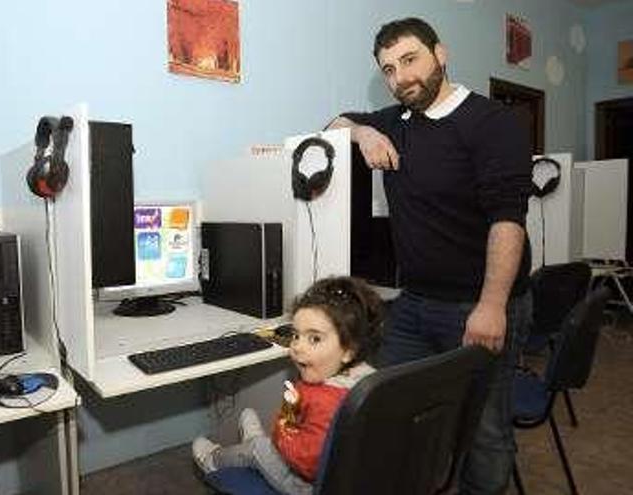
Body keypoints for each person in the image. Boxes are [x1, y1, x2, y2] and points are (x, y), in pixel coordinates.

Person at [326, 17, 532, 494]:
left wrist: (493, 305)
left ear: (440, 54)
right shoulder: (393, 122)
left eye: (410, 60)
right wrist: (362, 135)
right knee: (385, 407)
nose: (401, 78)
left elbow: (507, 220)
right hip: (415, 304)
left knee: (485, 433)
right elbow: (333, 123)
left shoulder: (492, 122)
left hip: (478, 304)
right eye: (389, 70)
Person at [191, 276, 384, 495]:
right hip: (348, 478)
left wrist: (283, 426)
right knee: (267, 444)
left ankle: (213, 461)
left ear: (349, 350)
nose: (297, 347)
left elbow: (307, 463)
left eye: (315, 339)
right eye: (296, 335)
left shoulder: (324, 400)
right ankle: (257, 441)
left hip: (307, 486)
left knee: (259, 449)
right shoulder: (372, 381)